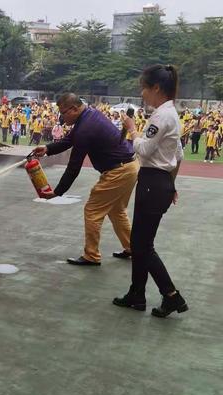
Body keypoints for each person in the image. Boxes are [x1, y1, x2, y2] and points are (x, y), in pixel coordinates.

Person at [113, 64, 188, 318]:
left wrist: (132, 129)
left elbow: (143, 150)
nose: (142, 93)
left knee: (142, 245)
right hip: (160, 183)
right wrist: (171, 184)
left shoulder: (160, 116)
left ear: (156, 88)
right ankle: (137, 294)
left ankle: (171, 295)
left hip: (151, 182)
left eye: (143, 88)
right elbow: (178, 155)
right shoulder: (171, 114)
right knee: (140, 242)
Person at [32, 93, 139, 266]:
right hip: (129, 167)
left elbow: (74, 167)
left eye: (63, 112)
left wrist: (57, 192)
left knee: (92, 210)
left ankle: (92, 255)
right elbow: (70, 140)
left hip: (118, 171)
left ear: (74, 109)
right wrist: (47, 148)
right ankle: (133, 248)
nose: (61, 117)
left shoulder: (86, 127)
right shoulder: (89, 115)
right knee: (116, 211)